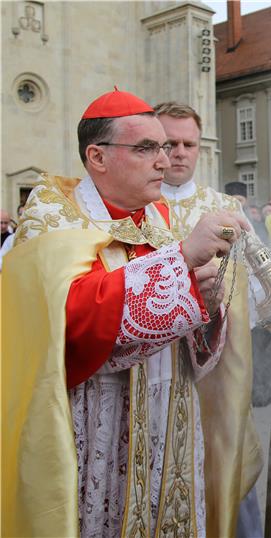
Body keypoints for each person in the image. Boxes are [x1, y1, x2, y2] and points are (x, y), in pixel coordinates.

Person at [1, 88, 251, 537]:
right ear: (97, 157)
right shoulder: (51, 219)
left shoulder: (162, 218)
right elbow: (67, 324)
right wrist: (181, 263)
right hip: (97, 423)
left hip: (170, 424)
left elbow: (192, 335)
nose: (164, 160)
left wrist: (208, 307)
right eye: (147, 147)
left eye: (167, 146)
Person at [154, 102, 264, 537]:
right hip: (153, 371)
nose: (179, 153)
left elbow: (255, 291)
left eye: (188, 144)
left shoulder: (225, 209)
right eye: (169, 143)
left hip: (215, 376)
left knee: (223, 467)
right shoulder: (133, 205)